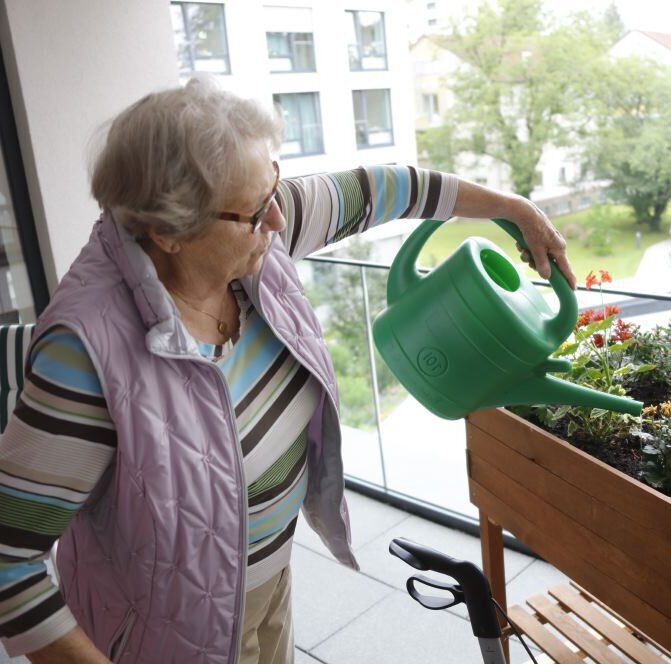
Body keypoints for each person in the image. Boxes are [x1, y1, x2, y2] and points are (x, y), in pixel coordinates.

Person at [0, 77, 575, 664]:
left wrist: (514, 210)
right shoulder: (85, 358)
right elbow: (8, 566)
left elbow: (385, 188)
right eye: (255, 210)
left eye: (274, 186)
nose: (278, 219)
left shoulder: (257, 232)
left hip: (266, 581)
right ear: (170, 230)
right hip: (165, 631)